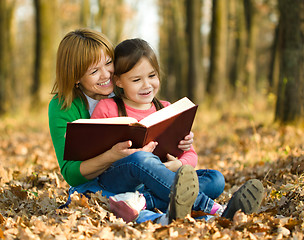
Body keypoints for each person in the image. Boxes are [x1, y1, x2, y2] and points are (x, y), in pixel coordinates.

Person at [90, 38, 264, 222]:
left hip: (161, 183)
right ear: (118, 81)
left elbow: (191, 156)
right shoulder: (107, 108)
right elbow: (95, 156)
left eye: (152, 76)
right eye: (136, 80)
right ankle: (216, 210)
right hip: (121, 180)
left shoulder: (166, 109)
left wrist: (178, 165)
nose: (147, 85)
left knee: (215, 178)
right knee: (141, 158)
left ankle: (140, 202)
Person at [48, 29, 198, 223]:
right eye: (94, 71)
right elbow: (72, 174)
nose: (106, 75)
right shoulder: (63, 107)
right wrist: (111, 156)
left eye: (109, 63)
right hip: (98, 184)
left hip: (142, 180)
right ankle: (206, 207)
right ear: (76, 77)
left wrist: (180, 141)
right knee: (141, 166)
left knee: (213, 179)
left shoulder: (126, 90)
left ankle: (142, 203)